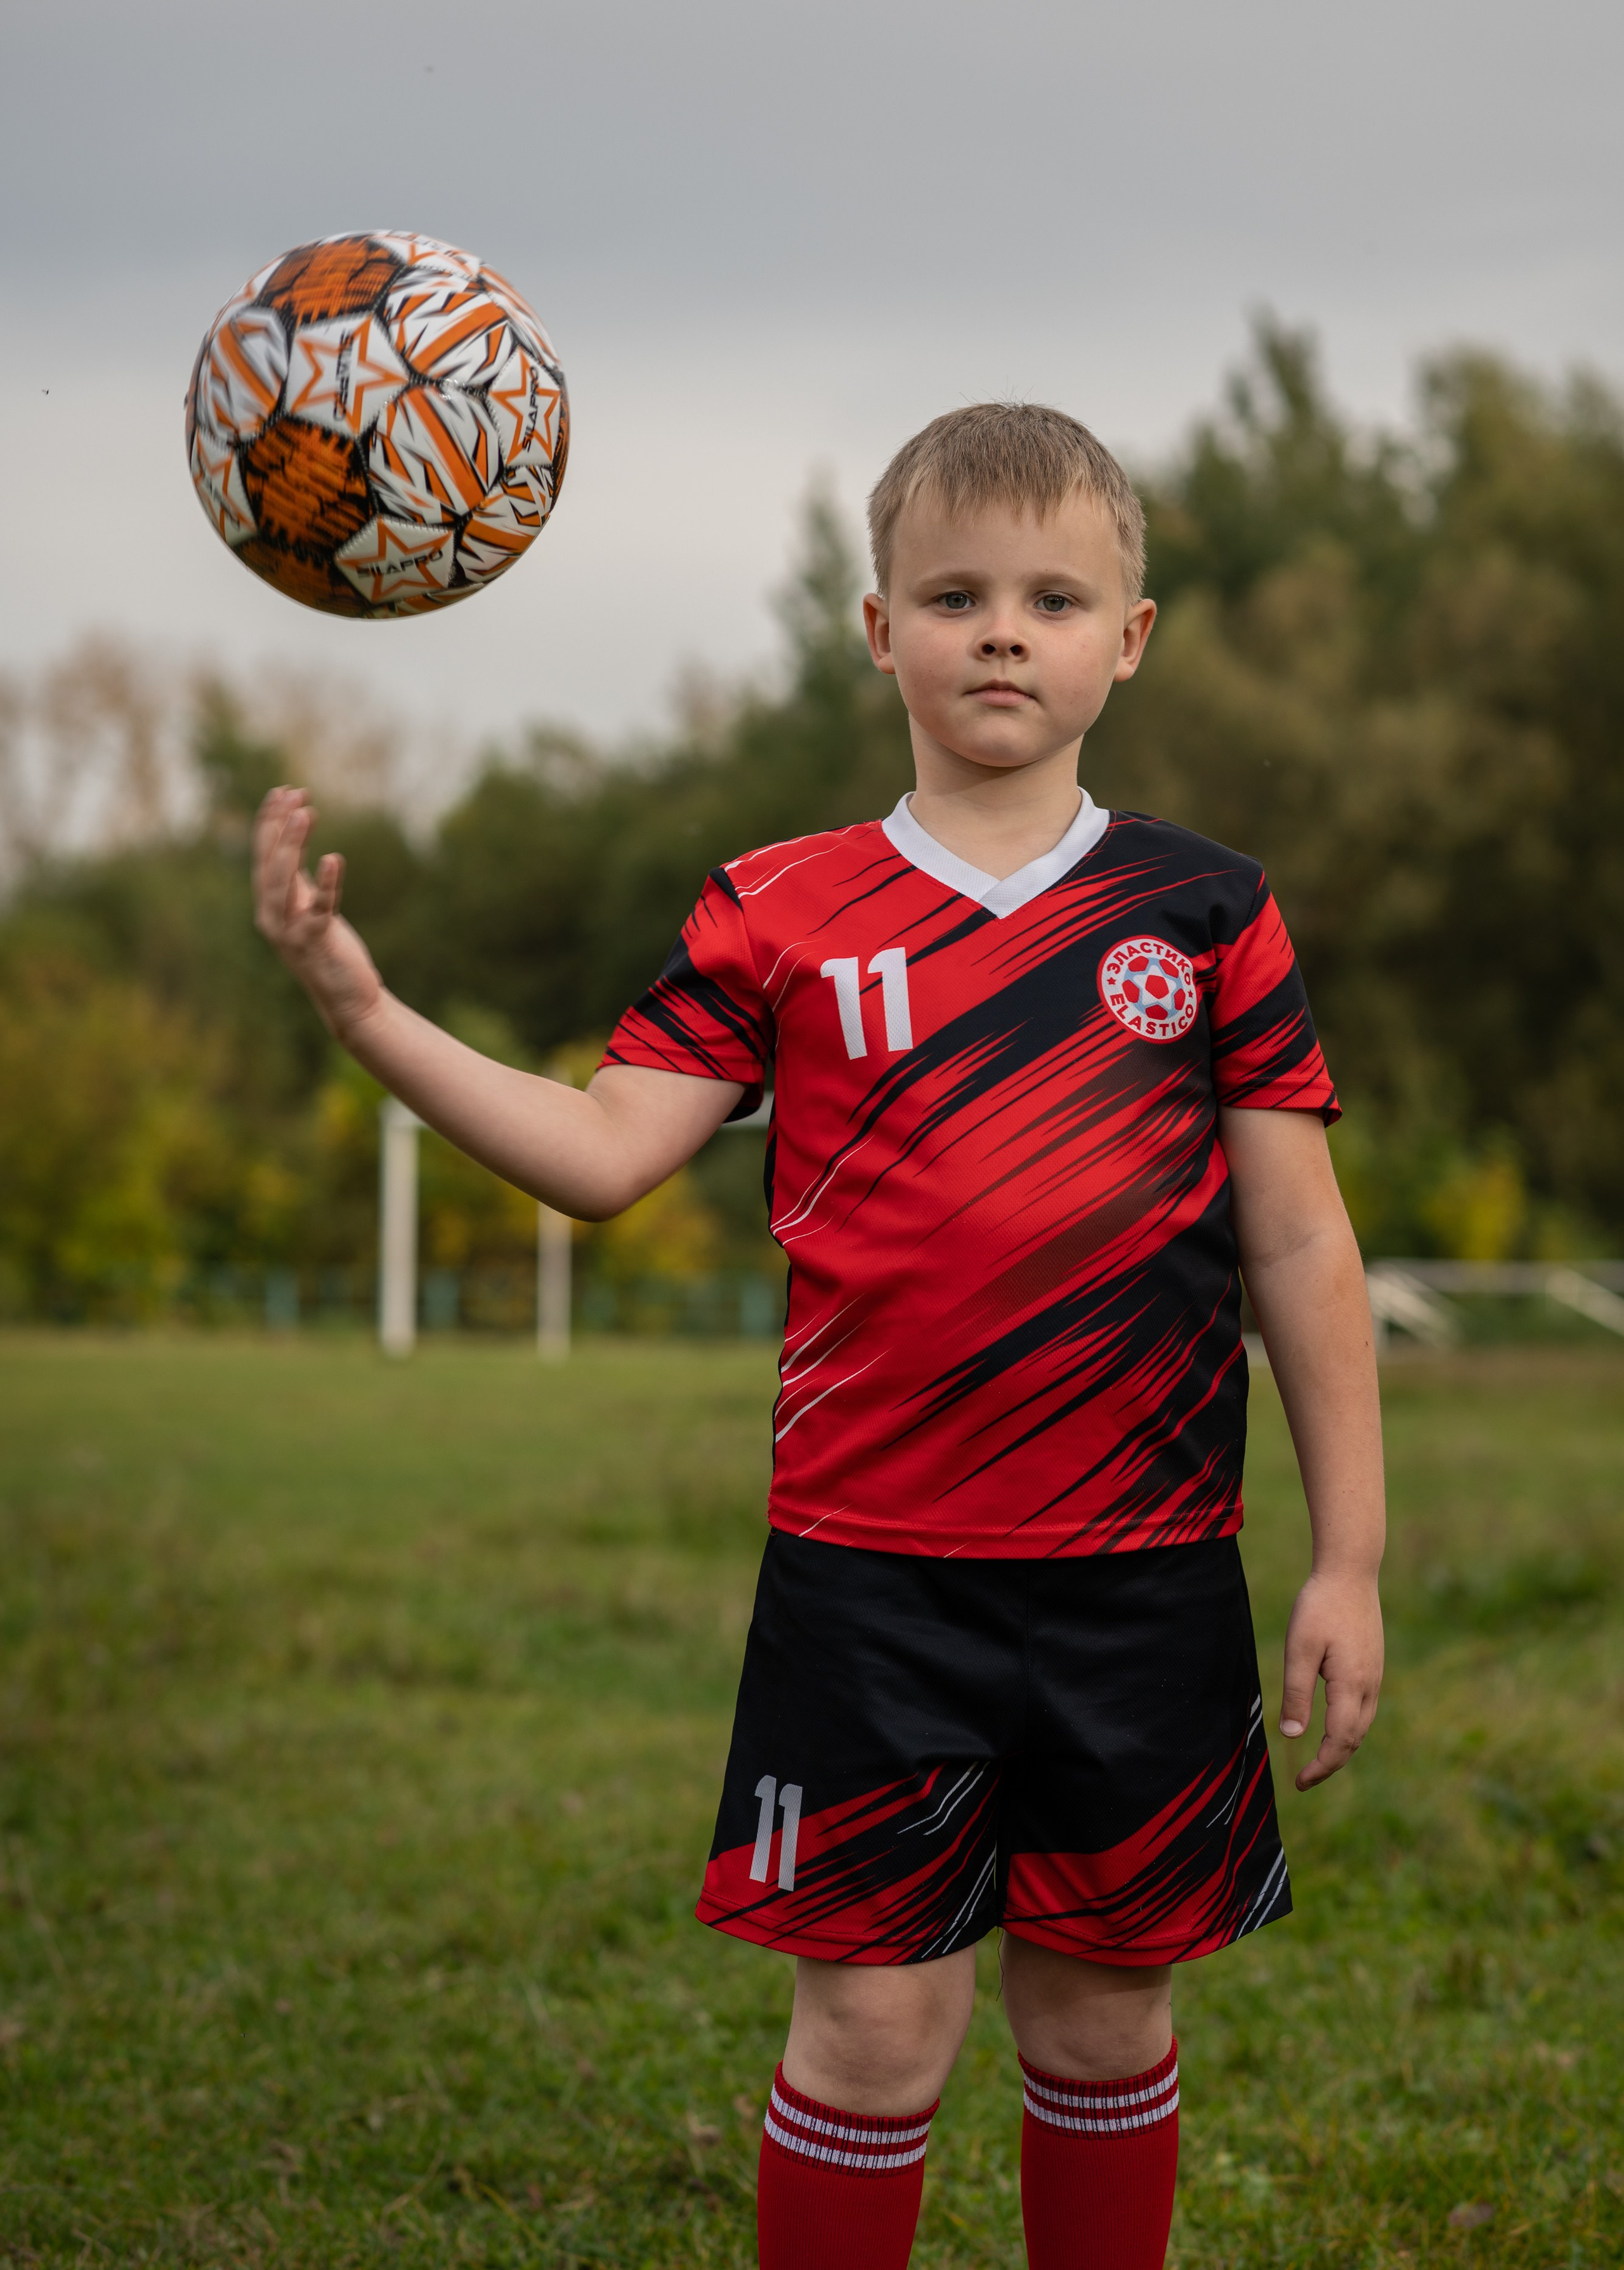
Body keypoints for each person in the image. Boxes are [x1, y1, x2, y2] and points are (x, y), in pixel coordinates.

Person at [252, 402, 1385, 2270]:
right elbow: (610, 1151)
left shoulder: (1206, 909)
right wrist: (371, 1013)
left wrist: (1346, 1555)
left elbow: (1299, 1241)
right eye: (953, 595)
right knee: (869, 2033)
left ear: (1132, 636)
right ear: (879, 632)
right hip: (872, 1589)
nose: (1000, 632)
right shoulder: (780, 910)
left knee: (1104, 2019)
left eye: (1050, 597)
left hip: (1146, 1581)